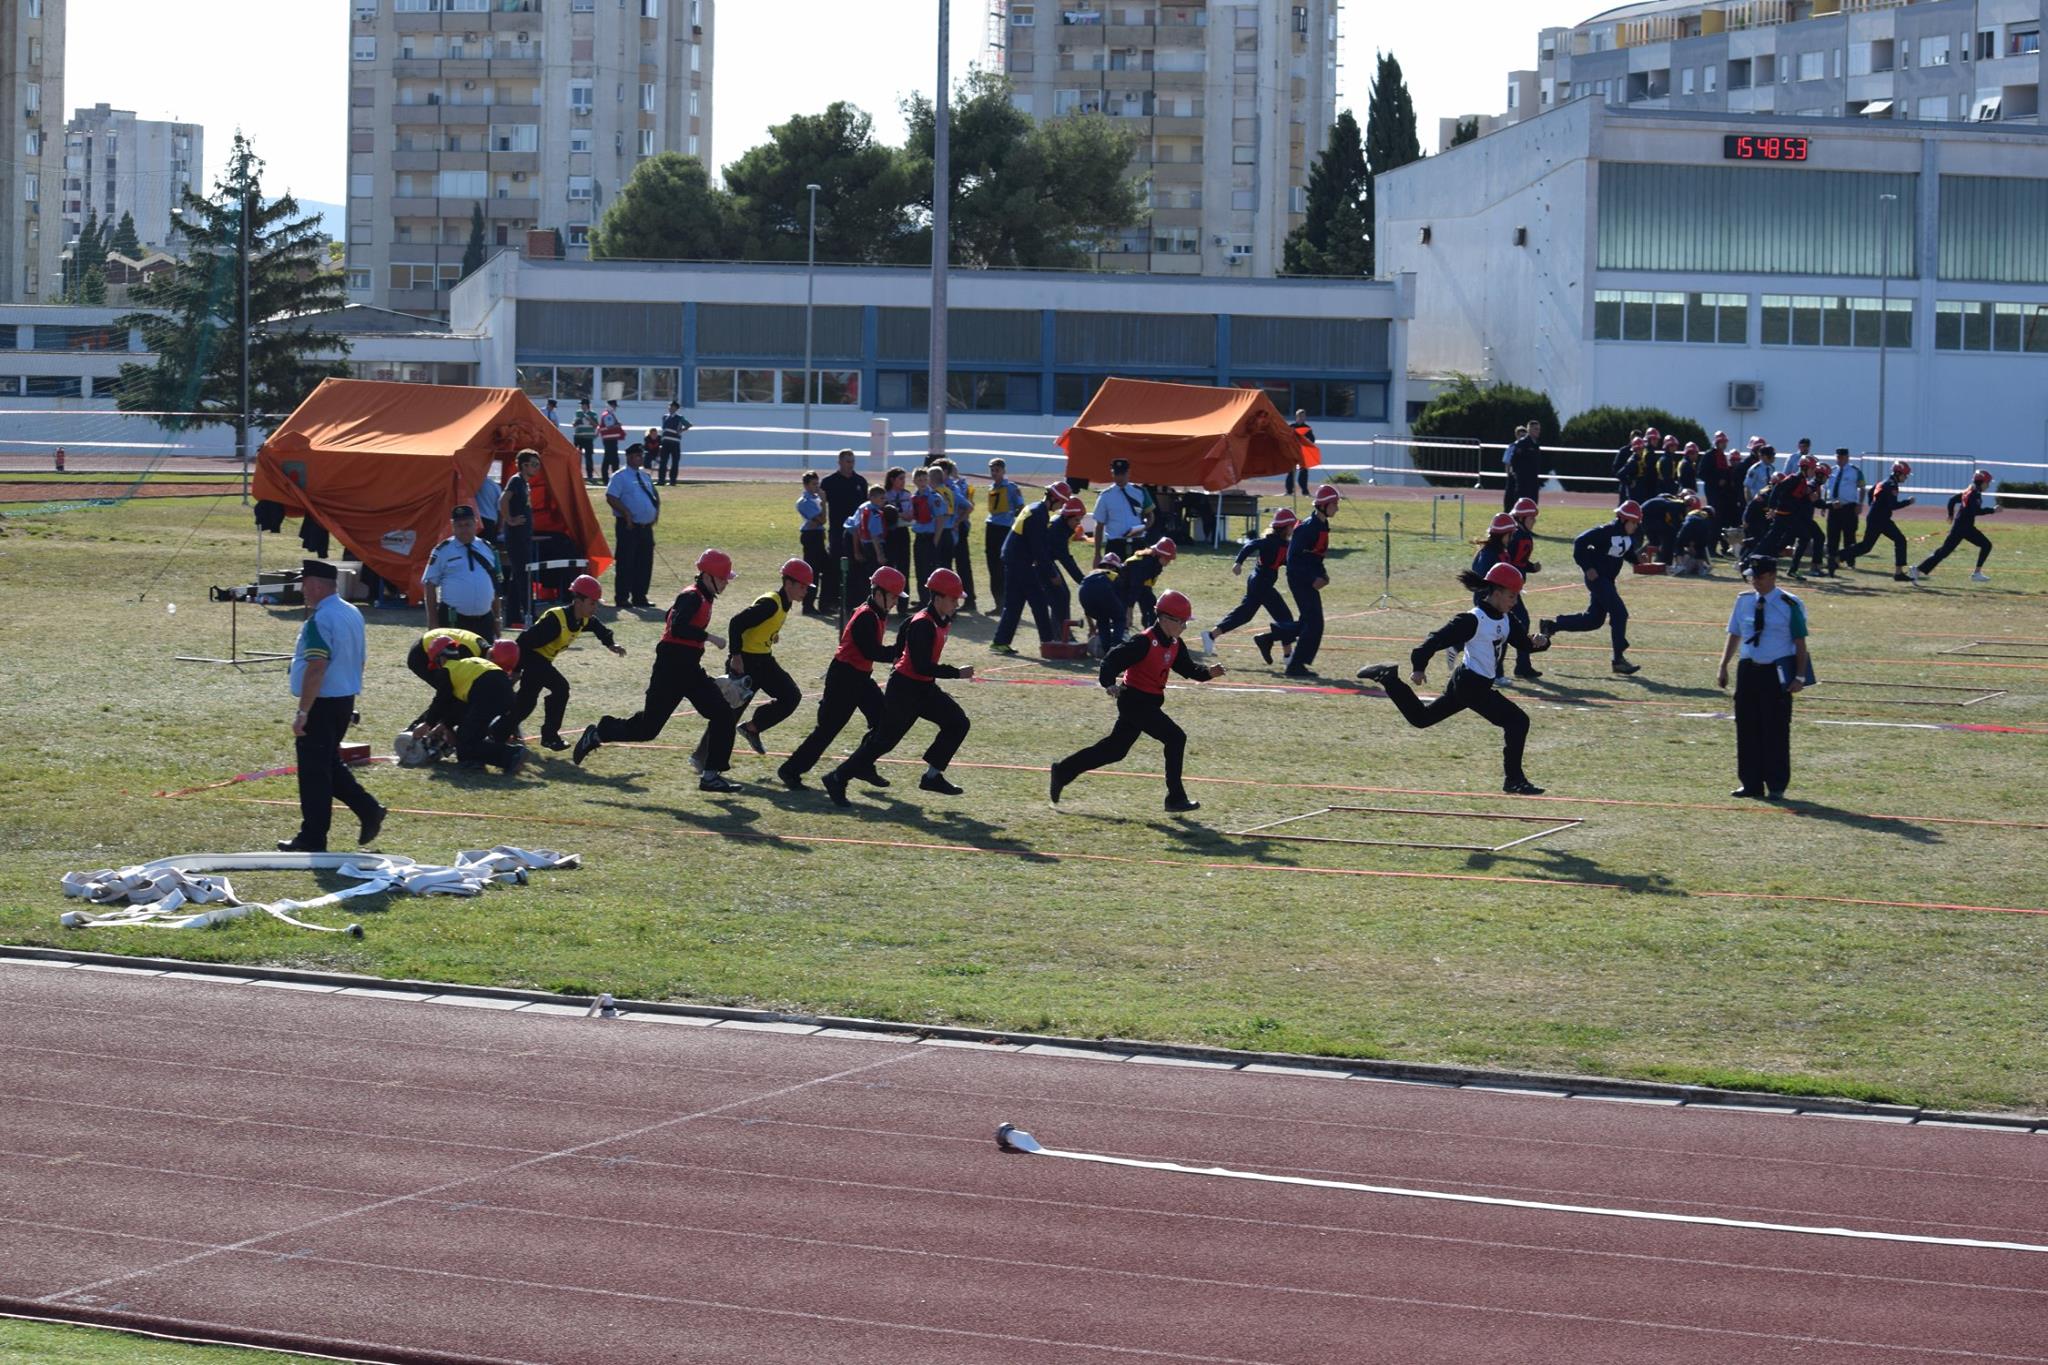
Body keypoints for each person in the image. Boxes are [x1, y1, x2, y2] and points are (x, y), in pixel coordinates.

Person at [1357, 562, 1553, 795]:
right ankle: (1514, 780)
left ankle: (1388, 678)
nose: (1515, 602)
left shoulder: (1506, 619)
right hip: (1471, 686)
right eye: (1511, 596)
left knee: (1422, 718)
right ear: (1496, 592)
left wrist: (1542, 642)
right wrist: (1419, 666)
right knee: (1518, 721)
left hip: (1470, 683)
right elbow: (1435, 639)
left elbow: (1524, 644)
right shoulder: (1473, 620)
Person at [574, 549, 743, 793]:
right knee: (647, 730)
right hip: (671, 669)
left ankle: (711, 775)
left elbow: (671, 616)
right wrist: (709, 637)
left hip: (689, 668)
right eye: (724, 577)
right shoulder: (693, 596)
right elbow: (677, 627)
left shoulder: (699, 596)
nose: (727, 582)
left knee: (723, 714)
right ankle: (599, 733)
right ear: (709, 576)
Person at [1051, 589, 1222, 812]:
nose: (1184, 627)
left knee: (1115, 750)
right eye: (1181, 622)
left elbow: (1189, 669)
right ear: (1165, 619)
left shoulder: (1174, 644)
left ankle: (1063, 771)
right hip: (1133, 701)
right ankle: (1175, 798)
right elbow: (1111, 660)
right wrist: (1108, 682)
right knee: (1175, 738)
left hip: (1149, 703)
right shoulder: (1143, 642)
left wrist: (1209, 672)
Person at [821, 567, 977, 807]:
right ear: (938, 597)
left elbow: (905, 639)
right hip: (905, 690)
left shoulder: (938, 620)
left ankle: (932, 777)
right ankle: (837, 777)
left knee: (958, 722)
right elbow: (922, 665)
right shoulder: (923, 624)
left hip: (924, 688)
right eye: (953, 599)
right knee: (883, 741)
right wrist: (956, 673)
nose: (957, 604)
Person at [278, 560, 385, 853]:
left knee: (314, 772)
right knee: (327, 765)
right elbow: (359, 659)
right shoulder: (351, 613)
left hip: (322, 703)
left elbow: (316, 666)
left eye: (304, 583)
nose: (302, 590)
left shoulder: (320, 619)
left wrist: (303, 712)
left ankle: (313, 836)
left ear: (315, 583)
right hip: (342, 699)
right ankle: (369, 809)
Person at [778, 566, 907, 791]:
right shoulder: (866, 616)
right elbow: (872, 652)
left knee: (882, 722)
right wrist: (902, 650)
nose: (896, 601)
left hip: (860, 677)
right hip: (844, 678)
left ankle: (863, 765)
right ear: (879, 594)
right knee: (827, 729)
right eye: (894, 596)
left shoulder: (877, 613)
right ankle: (790, 770)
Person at [1716, 555, 1810, 800]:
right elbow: (1735, 633)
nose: (1754, 581)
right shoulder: (1744, 601)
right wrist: (1724, 665)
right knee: (1746, 727)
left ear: (1772, 576)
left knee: (1775, 728)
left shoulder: (1790, 604)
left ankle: (1776, 784)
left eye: (1759, 577)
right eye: (1751, 576)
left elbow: (1799, 642)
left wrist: (1800, 675)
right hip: (1748, 669)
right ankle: (1750, 783)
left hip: (1775, 673)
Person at [505, 574, 626, 750]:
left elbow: (598, 627)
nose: (596, 607)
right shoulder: (554, 621)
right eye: (592, 603)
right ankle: (550, 737)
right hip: (532, 658)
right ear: (578, 602)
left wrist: (610, 643)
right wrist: (516, 669)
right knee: (560, 688)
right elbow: (523, 642)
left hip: (542, 661)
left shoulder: (582, 618)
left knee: (525, 704)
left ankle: (498, 732)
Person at [1539, 500, 1644, 675]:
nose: (1636, 526)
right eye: (1634, 522)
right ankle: (1618, 659)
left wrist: (1637, 560)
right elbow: (1580, 542)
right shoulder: (1605, 531)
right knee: (1619, 613)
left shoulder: (1626, 536)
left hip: (1607, 582)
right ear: (1624, 520)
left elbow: (1623, 552)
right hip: (1597, 580)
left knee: (1593, 620)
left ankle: (1552, 626)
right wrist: (1588, 567)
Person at [727, 558, 813, 759]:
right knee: (728, 716)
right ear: (788, 583)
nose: (806, 591)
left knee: (791, 696)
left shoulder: (786, 602)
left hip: (763, 661)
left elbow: (758, 626)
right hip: (745, 663)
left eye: (807, 587)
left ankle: (752, 728)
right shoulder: (770, 604)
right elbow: (736, 623)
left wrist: (770, 634)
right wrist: (736, 656)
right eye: (802, 586)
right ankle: (704, 760)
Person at [1204, 507, 1298, 661]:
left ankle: (1211, 635)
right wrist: (1238, 563)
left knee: (1244, 615)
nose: (1293, 529)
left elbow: (1287, 562)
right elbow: (1250, 546)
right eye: (1291, 526)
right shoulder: (1269, 542)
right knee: (1284, 617)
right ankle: (1288, 656)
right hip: (1261, 583)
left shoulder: (1285, 545)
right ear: (1285, 528)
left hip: (1260, 583)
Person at [989, 482, 1067, 654]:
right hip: (1020, 562)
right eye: (1062, 501)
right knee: (1038, 601)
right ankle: (1048, 642)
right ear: (1054, 498)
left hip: (1014, 559)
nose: (1062, 506)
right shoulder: (1039, 514)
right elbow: (1038, 548)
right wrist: (1051, 573)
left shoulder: (1034, 507)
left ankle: (1000, 642)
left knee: (1014, 603)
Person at [443, 640, 529, 774]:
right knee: (469, 737)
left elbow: (450, 701)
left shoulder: (471, 666)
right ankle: (478, 761)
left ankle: (511, 755)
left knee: (465, 742)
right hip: (499, 704)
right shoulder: (501, 675)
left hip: (486, 700)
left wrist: (445, 724)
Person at [1284, 484, 1341, 678]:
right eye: (1334, 504)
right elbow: (1292, 561)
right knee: (1314, 622)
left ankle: (1273, 637)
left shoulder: (1322, 526)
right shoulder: (1306, 528)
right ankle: (1295, 666)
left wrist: (1323, 575)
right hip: (1299, 580)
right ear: (1324, 505)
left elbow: (1316, 557)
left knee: (1312, 621)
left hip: (1308, 579)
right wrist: (1312, 578)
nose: (1337, 508)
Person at [421, 503, 501, 640]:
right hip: (454, 620)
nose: (464, 529)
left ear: (476, 524)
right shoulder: (442, 550)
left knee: (484, 660)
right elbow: (430, 585)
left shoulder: (487, 549)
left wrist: (497, 619)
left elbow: (496, 587)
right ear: (453, 526)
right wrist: (433, 623)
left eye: (468, 524)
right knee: (456, 660)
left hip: (484, 620)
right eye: (459, 525)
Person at [1911, 469, 1999, 584]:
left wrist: (1951, 514)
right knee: (1944, 552)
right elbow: (1976, 511)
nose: (1988, 485)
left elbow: (1952, 500)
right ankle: (1917, 570)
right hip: (1962, 528)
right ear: (1982, 482)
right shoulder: (1974, 493)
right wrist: (1992, 510)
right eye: (1988, 482)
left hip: (1964, 527)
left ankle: (1976, 573)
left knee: (1985, 545)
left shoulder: (1970, 491)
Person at [605, 443, 660, 609]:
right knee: (626, 562)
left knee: (644, 562)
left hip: (645, 526)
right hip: (628, 525)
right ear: (629, 457)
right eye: (637, 455)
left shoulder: (644, 476)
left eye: (641, 455)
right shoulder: (620, 476)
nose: (640, 458)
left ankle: (640, 596)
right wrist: (627, 513)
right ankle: (622, 597)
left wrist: (654, 512)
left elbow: (653, 495)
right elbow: (611, 497)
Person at [821, 449, 871, 616]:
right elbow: (820, 503)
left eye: (852, 461)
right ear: (840, 462)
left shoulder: (860, 482)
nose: (850, 464)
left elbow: (866, 508)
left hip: (856, 533)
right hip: (837, 530)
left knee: (855, 568)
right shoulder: (829, 482)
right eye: (847, 461)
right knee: (834, 566)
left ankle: (853, 602)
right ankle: (828, 602)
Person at [498, 448, 541, 629]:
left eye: (538, 464)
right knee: (523, 575)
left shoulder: (525, 482)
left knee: (517, 577)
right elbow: (503, 500)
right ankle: (529, 613)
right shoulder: (516, 480)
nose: (537, 468)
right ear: (524, 465)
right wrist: (510, 519)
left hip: (524, 536)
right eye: (534, 464)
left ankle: (512, 616)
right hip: (515, 536)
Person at [1852, 461, 1915, 581]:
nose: (1906, 478)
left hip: (1879, 518)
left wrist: (1873, 504)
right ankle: (1837, 557)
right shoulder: (1892, 485)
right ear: (1898, 473)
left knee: (1869, 546)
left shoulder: (1885, 482)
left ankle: (1899, 573)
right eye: (1905, 475)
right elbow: (1893, 505)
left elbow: (1871, 492)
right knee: (1868, 546)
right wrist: (1908, 502)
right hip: (1879, 520)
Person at [1092, 457, 1156, 564]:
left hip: (1138, 542)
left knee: (1138, 577)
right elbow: (1099, 525)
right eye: (1116, 474)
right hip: (1115, 544)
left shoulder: (1140, 492)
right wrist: (1097, 553)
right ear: (1112, 473)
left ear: (1128, 473)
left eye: (1122, 474)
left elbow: (1150, 516)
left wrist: (1143, 528)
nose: (1119, 477)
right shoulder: (1105, 496)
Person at [1042, 495, 1088, 636]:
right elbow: (1065, 559)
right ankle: (1061, 634)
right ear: (1068, 517)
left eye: (1080, 520)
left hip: (1045, 561)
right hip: (1039, 563)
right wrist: (1082, 580)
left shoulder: (1062, 524)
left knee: (1062, 595)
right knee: (1060, 596)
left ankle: (1060, 631)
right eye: (1076, 520)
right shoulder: (1058, 530)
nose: (1078, 523)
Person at [937, 459, 979, 613]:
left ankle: (968, 600)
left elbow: (966, 506)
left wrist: (957, 522)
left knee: (961, 564)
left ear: (946, 472)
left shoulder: (951, 487)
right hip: (950, 527)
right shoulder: (947, 485)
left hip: (957, 528)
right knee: (950, 564)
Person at [982, 458, 1024, 608]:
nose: (994, 473)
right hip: (991, 527)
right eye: (992, 470)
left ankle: (1007, 602)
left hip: (1005, 529)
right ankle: (998, 603)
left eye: (997, 470)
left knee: (1002, 565)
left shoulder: (1012, 488)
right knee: (992, 565)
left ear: (1004, 471)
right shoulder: (991, 487)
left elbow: (1021, 507)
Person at [1113, 536, 1176, 629]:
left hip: (1141, 587)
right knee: (1123, 618)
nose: (1169, 561)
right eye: (1167, 559)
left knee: (1152, 608)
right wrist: (1129, 610)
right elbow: (1134, 588)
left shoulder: (1155, 563)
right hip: (1122, 587)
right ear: (1159, 555)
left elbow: (1145, 586)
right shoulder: (1143, 565)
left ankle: (1151, 630)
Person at [1823, 447, 1866, 575]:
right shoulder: (1831, 471)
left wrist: (1859, 504)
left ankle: (1850, 561)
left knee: (1849, 535)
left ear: (1847, 457)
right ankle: (1832, 560)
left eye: (1841, 457)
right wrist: (1825, 505)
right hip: (1833, 507)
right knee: (1832, 536)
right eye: (1837, 457)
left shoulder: (1855, 471)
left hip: (1849, 507)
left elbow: (1862, 488)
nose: (1839, 459)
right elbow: (1827, 489)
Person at [1078, 553, 1127, 656]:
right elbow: (1120, 604)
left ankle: (1106, 651)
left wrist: (1092, 627)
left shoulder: (1091, 574)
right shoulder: (1113, 575)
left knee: (1102, 619)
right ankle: (1115, 648)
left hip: (1083, 591)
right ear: (1114, 567)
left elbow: (1087, 611)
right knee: (1120, 618)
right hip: (1103, 588)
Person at [796, 472, 829, 615]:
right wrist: (824, 502)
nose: (817, 487)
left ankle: (824, 602)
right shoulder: (805, 502)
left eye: (818, 483)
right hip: (811, 537)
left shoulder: (814, 499)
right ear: (806, 485)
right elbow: (822, 519)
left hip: (818, 535)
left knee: (827, 569)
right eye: (814, 484)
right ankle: (808, 605)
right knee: (813, 571)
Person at [910, 467, 940, 608]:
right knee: (919, 570)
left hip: (930, 537)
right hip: (919, 537)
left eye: (925, 479)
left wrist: (936, 539)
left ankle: (931, 601)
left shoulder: (934, 497)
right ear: (914, 481)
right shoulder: (913, 498)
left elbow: (940, 518)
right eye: (919, 479)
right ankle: (923, 599)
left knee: (929, 571)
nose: (922, 482)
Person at [1506, 419, 1546, 509]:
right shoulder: (1523, 443)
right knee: (1521, 503)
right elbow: (1514, 460)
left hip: (1533, 478)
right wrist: (1519, 474)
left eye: (1539, 429)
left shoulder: (1536, 444)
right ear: (1529, 430)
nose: (1538, 431)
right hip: (1523, 480)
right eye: (1536, 429)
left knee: (1533, 503)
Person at [656, 400, 691, 486]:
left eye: (672, 407)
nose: (670, 408)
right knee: (663, 462)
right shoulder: (665, 417)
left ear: (676, 408)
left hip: (675, 442)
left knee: (675, 462)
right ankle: (661, 480)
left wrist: (681, 430)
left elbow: (689, 425)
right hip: (665, 442)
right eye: (669, 407)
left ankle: (672, 481)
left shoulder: (680, 418)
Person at [471, 461, 502, 543]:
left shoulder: (473, 484)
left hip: (475, 521)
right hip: (490, 523)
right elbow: (500, 510)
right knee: (488, 550)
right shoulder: (496, 487)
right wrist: (499, 527)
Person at [1286, 410, 1315, 496]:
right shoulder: (1291, 427)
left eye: (1303, 416)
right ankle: (1289, 491)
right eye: (1300, 416)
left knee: (1304, 472)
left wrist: (1305, 441)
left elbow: (1312, 440)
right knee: (1291, 471)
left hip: (1303, 453)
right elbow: (1286, 438)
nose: (1302, 418)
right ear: (1296, 417)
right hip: (1293, 452)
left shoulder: (1307, 428)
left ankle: (1305, 491)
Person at [597, 402, 626, 480]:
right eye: (614, 406)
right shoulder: (608, 415)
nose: (615, 408)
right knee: (613, 460)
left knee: (608, 459)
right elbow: (609, 426)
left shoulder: (608, 414)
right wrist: (618, 425)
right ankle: (612, 478)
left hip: (610, 440)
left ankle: (607, 478)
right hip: (610, 440)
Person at [572, 397, 599, 483]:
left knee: (588, 457)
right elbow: (574, 424)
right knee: (576, 456)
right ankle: (576, 474)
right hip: (578, 437)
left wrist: (588, 418)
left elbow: (596, 425)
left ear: (587, 405)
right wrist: (577, 422)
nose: (582, 406)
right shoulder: (578, 413)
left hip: (588, 438)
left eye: (583, 405)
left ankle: (590, 476)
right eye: (581, 405)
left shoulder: (593, 414)